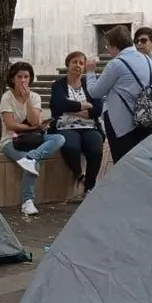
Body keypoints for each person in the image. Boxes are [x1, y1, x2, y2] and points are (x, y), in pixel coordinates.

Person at [0, 61, 66, 217]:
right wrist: (31, 128)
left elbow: (35, 120)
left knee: (59, 138)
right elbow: (10, 125)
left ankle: (32, 156)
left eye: (26, 77)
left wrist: (27, 100)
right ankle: (27, 202)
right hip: (11, 140)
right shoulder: (7, 97)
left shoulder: (34, 97)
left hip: (33, 139)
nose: (23, 80)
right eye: (19, 77)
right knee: (32, 165)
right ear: (13, 79)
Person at [87, 25, 152, 162]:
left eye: (108, 45)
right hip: (146, 118)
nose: (107, 49)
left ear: (116, 45)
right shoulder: (147, 60)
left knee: (123, 165)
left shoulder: (116, 64)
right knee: (141, 165)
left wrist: (90, 72)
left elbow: (95, 92)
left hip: (122, 124)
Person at [50, 52, 103, 201]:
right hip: (65, 126)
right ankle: (80, 175)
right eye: (74, 62)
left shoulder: (90, 84)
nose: (78, 66)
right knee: (71, 146)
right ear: (68, 64)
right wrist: (83, 106)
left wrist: (70, 108)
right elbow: (57, 105)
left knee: (96, 148)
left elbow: (97, 110)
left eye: (81, 63)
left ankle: (90, 187)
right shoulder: (58, 85)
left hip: (89, 127)